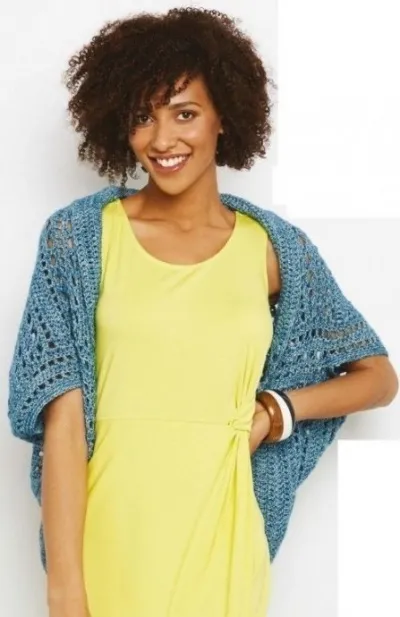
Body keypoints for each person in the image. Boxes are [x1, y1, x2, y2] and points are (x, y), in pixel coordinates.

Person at [7, 7, 398, 617]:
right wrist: (65, 593)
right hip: (112, 540)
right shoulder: (81, 238)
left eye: (185, 113)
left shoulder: (273, 250)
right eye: (142, 117)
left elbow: (377, 378)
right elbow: (63, 421)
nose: (163, 139)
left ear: (224, 118)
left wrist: (275, 411)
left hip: (225, 539)